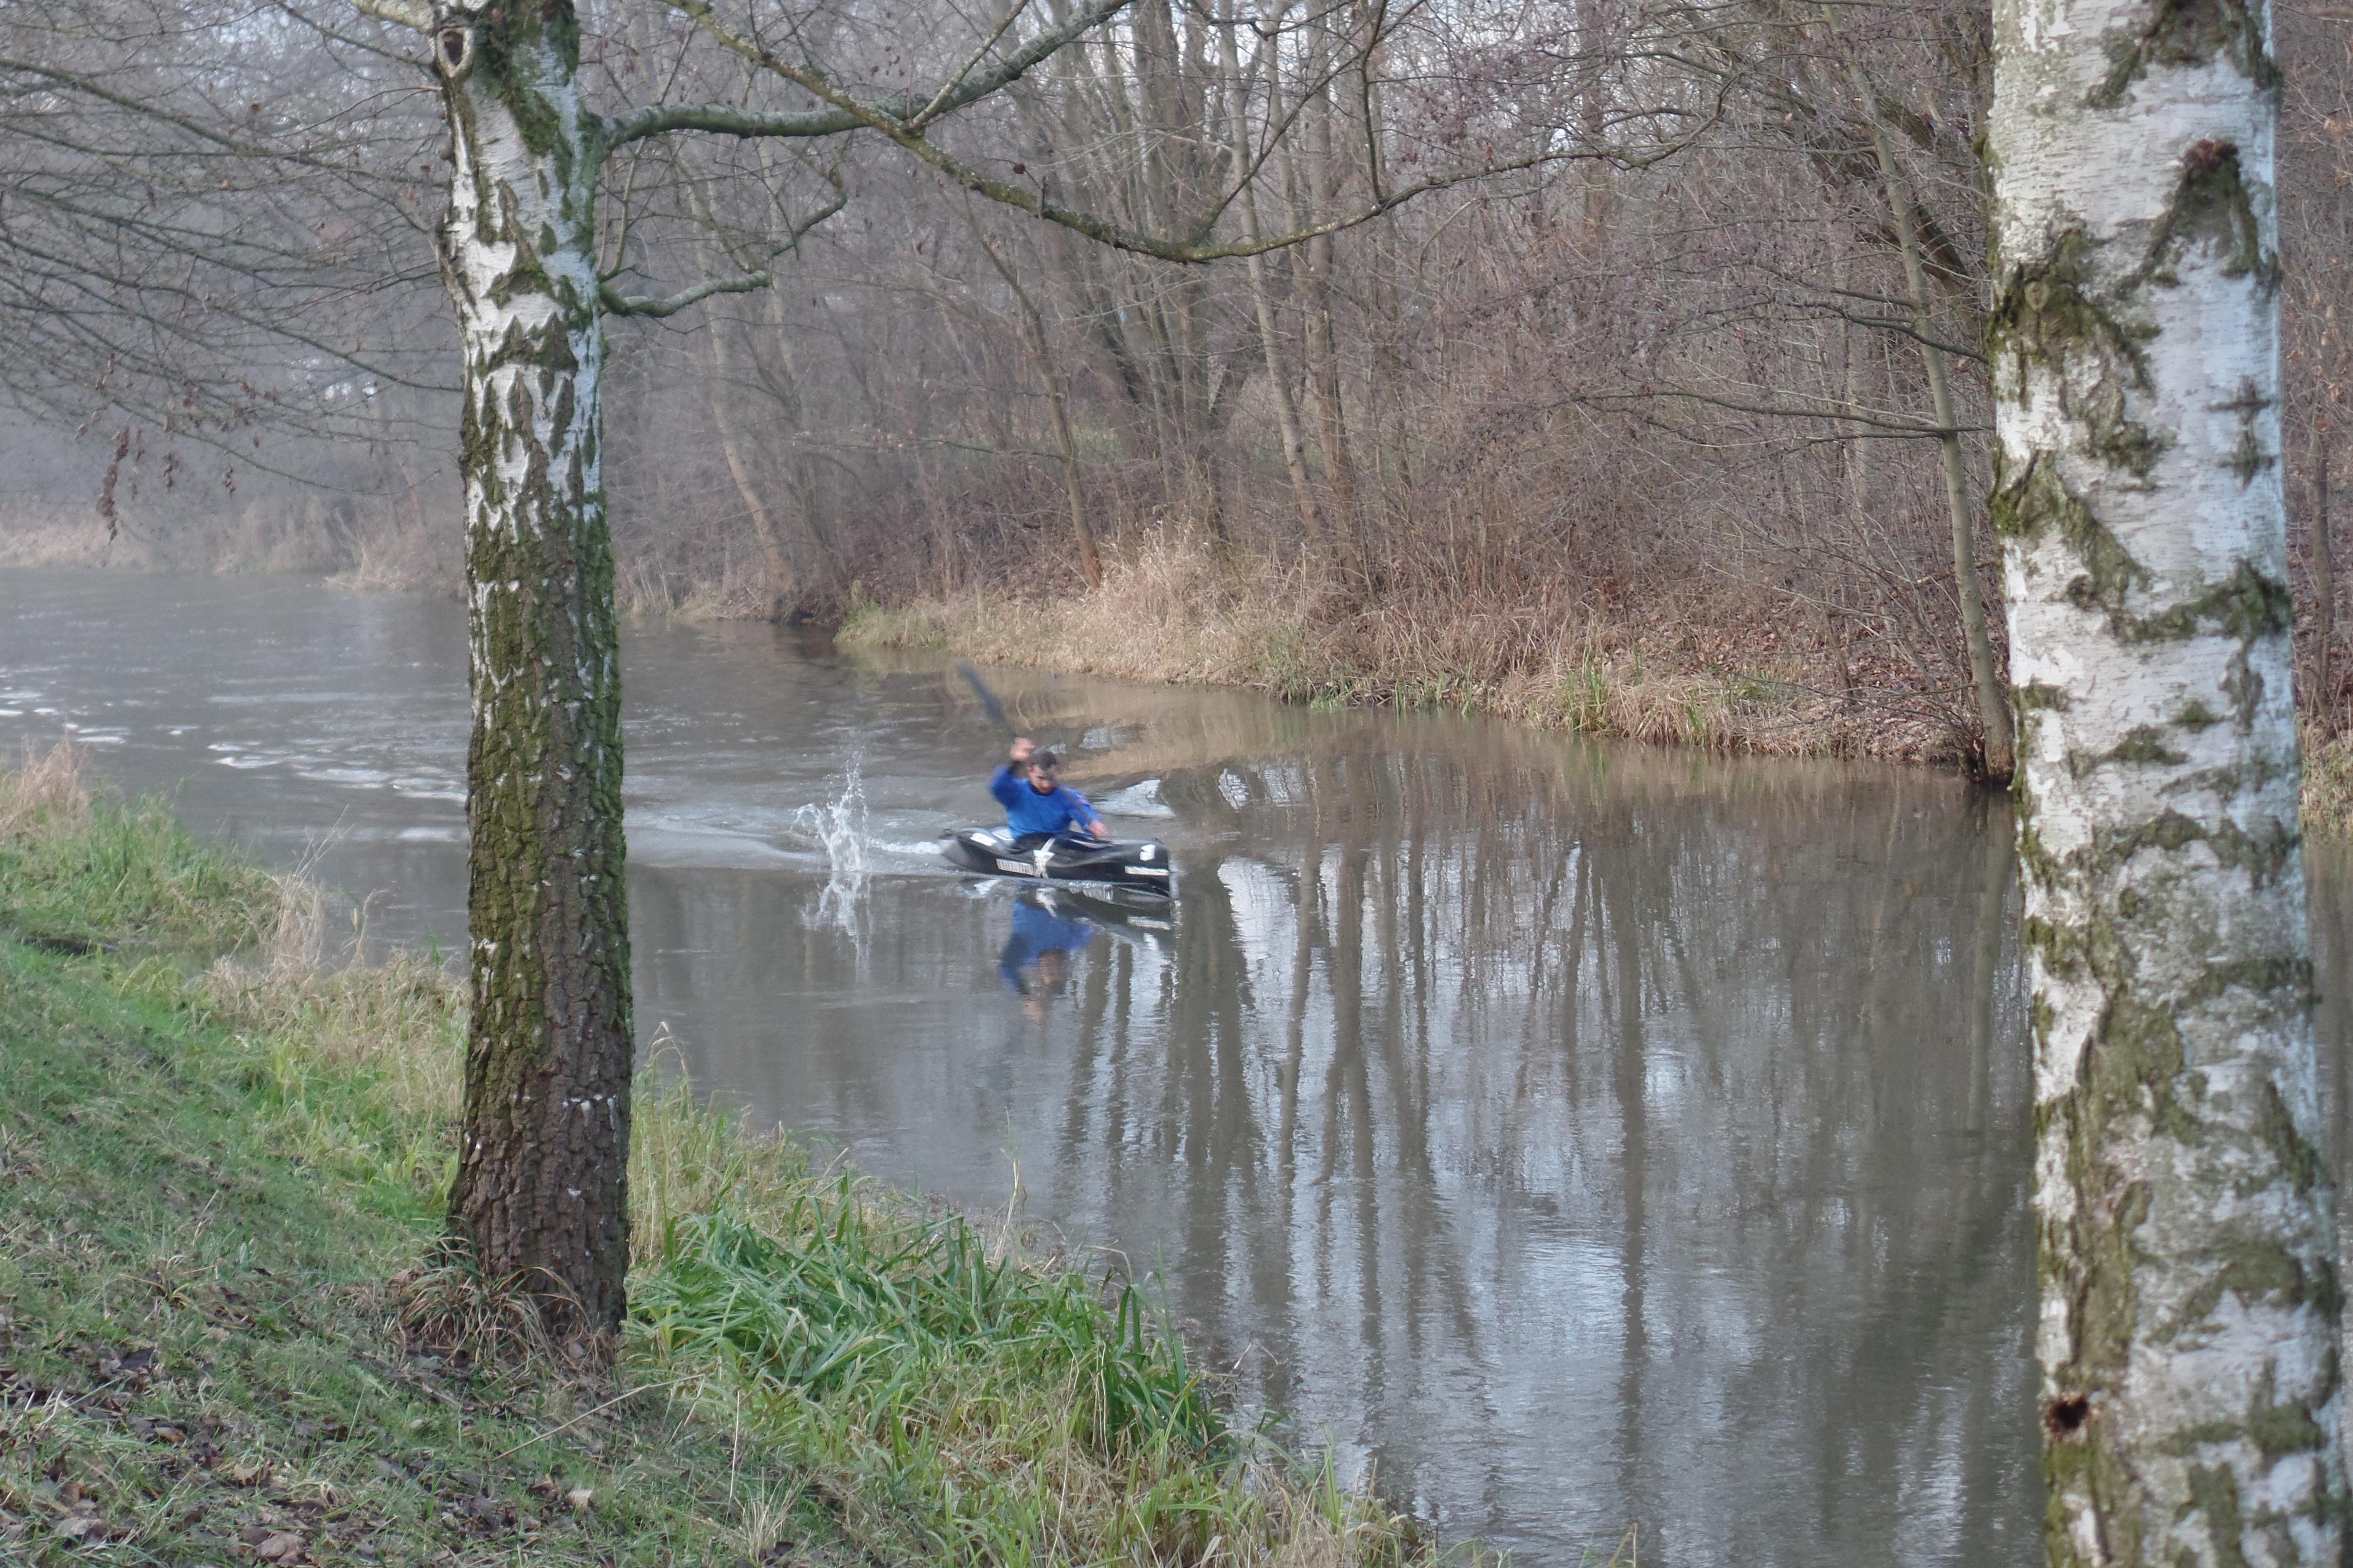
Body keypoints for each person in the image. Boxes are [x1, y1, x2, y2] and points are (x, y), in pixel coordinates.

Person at [989, 736, 1109, 844]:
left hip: (1058, 843)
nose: (1046, 785)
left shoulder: (1069, 796)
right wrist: (1016, 763)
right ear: (1030, 772)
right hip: (1025, 844)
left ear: (1057, 772)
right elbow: (998, 787)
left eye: (1051, 778)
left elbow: (1085, 812)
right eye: (1041, 778)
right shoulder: (1016, 791)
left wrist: (1094, 824)